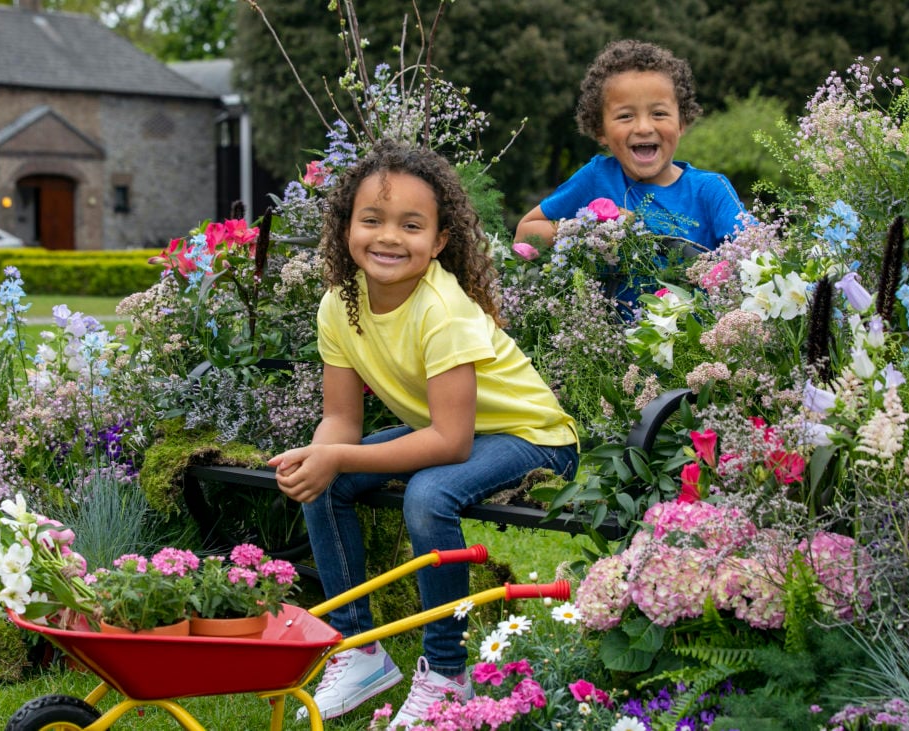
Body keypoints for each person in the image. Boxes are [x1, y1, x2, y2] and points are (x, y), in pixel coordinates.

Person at [268, 138, 579, 726]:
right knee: (324, 478)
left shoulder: (445, 310)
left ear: (438, 241)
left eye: (411, 225)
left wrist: (337, 454)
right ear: (345, 228)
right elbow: (342, 422)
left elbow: (450, 444)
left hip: (533, 437)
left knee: (429, 492)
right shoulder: (340, 304)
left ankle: (447, 675)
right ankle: (358, 650)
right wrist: (322, 453)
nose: (389, 237)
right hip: (452, 435)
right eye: (372, 220)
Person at [514, 39, 747, 312]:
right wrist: (589, 226)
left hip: (695, 347)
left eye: (659, 113)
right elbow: (523, 238)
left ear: (682, 122)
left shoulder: (710, 190)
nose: (644, 127)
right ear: (600, 130)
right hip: (606, 346)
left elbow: (756, 255)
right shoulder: (596, 178)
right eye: (625, 116)